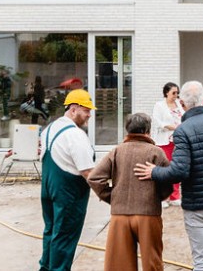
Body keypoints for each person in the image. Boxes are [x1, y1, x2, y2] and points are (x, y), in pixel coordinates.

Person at [135, 81, 203, 271]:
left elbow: (179, 171)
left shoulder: (183, 130)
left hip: (198, 205)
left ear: (182, 104)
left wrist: (154, 172)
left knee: (202, 261)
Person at [88, 113, 172, 271]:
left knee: (120, 265)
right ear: (147, 130)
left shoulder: (116, 151)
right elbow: (168, 182)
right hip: (148, 214)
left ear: (128, 130)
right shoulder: (156, 152)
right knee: (152, 263)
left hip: (119, 215)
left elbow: (94, 178)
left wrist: (113, 197)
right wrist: (157, 197)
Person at [39, 89, 96, 271]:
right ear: (73, 109)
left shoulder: (49, 129)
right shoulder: (75, 135)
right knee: (64, 236)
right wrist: (108, 192)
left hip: (49, 188)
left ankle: (46, 268)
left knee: (51, 232)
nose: (89, 115)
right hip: (69, 193)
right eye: (86, 110)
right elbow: (88, 171)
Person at [151, 82, 183, 205]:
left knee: (176, 167)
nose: (176, 95)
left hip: (178, 141)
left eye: (177, 93)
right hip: (164, 141)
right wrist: (173, 127)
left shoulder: (179, 104)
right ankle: (163, 197)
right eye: (173, 93)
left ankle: (175, 196)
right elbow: (158, 122)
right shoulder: (159, 106)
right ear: (166, 93)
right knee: (164, 168)